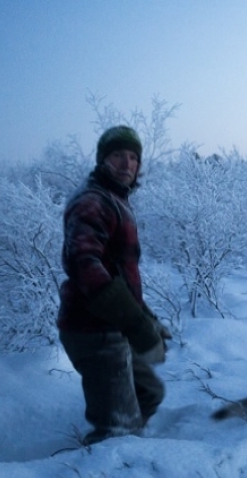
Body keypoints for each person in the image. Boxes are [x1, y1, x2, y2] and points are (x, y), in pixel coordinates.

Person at [57, 125, 171, 445]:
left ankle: (129, 449)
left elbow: (119, 272)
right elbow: (86, 266)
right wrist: (136, 323)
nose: (127, 164)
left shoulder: (116, 201)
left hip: (114, 325)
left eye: (133, 157)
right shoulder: (92, 201)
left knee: (149, 393)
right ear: (102, 160)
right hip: (92, 330)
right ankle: (102, 475)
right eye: (118, 155)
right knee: (117, 430)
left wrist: (146, 319)